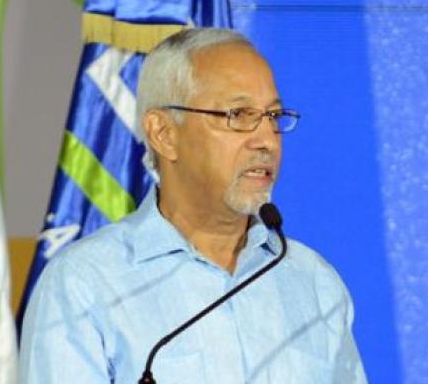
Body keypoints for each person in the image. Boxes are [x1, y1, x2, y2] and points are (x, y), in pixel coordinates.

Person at [19, 28, 367, 383]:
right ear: (164, 134)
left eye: (274, 117)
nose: (267, 141)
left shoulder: (314, 282)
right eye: (239, 114)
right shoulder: (85, 283)